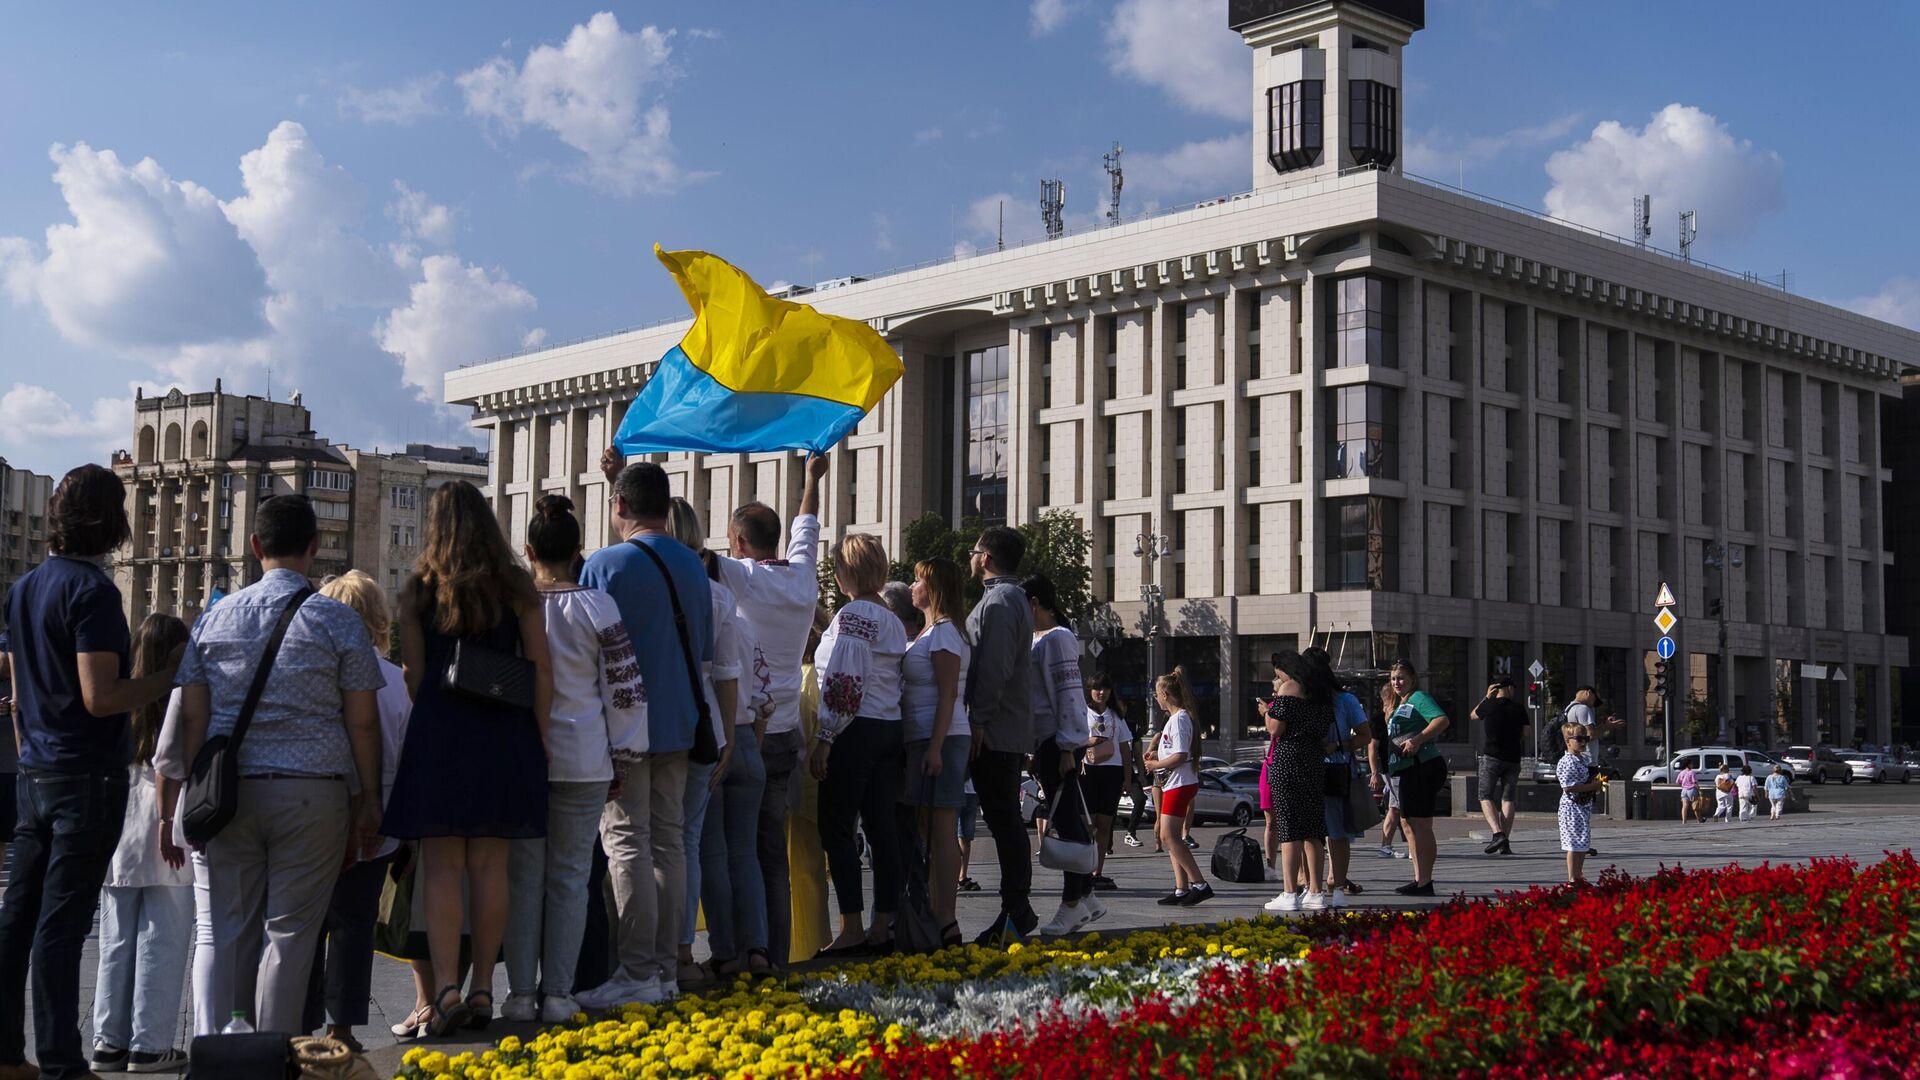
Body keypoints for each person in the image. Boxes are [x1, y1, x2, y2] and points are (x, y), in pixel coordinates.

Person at [177, 493, 386, 1036]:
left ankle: (227, 1046)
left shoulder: (212, 619)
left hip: (228, 795)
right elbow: (363, 722)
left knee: (229, 930)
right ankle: (272, 1052)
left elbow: (192, 720)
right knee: (290, 935)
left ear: (254, 547)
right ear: (315, 548)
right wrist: (369, 798)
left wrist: (183, 799)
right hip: (312, 795)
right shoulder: (339, 622)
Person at [1, 465, 179, 1080]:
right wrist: (171, 679)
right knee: (62, 925)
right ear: (111, 520)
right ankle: (59, 1062)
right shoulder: (94, 593)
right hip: (85, 778)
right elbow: (101, 697)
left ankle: (7, 1053)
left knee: (16, 918)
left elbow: (19, 679)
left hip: (35, 775)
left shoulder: (25, 588)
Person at [383, 481, 553, 1035]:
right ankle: (484, 987)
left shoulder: (417, 590)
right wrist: (542, 735)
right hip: (503, 732)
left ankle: (447, 986)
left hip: (440, 733)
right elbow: (541, 667)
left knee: (441, 866)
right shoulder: (515, 585)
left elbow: (412, 675)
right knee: (490, 865)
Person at [502, 497, 648, 1025]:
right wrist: (625, 756)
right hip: (586, 756)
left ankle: (519, 993)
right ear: (578, 552)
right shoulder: (598, 606)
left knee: (523, 878)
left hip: (520, 757)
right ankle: (559, 993)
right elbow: (626, 691)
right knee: (569, 877)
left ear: (529, 549)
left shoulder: (513, 607)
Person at [577, 461, 712, 1008]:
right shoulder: (694, 565)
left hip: (624, 727)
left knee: (627, 841)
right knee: (670, 842)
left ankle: (634, 971)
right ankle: (663, 967)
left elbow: (585, 649)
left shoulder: (606, 565)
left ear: (620, 507)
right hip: (682, 721)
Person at [714, 453, 826, 973]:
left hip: (746, 729)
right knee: (771, 857)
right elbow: (809, 524)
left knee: (738, 851)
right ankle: (776, 955)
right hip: (786, 734)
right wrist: (810, 480)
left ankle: (743, 951)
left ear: (737, 542)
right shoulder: (803, 578)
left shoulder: (744, 579)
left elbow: (682, 550)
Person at [300, 570, 416, 1051]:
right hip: (381, 818)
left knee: (306, 922)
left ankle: (297, 1020)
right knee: (355, 922)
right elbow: (408, 755)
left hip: (318, 812)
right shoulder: (396, 680)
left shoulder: (314, 674)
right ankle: (343, 1029)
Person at [668, 498, 769, 983]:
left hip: (688, 733)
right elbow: (740, 677)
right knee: (743, 853)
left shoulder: (662, 587)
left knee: (694, 848)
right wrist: (735, 736)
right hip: (738, 733)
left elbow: (726, 673)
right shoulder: (724, 601)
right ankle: (757, 952)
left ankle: (715, 951)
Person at [89, 614, 193, 1074]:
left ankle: (107, 1041)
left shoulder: (119, 699)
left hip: (119, 825)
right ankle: (150, 1045)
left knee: (115, 938)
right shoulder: (182, 697)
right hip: (168, 822)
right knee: (164, 938)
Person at [811, 533, 908, 956]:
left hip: (855, 729)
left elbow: (844, 679)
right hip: (889, 726)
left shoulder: (852, 616)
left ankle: (850, 926)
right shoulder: (889, 617)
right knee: (883, 829)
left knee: (836, 827)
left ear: (847, 572)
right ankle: (882, 922)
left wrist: (825, 737)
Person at [964, 526, 1036, 942]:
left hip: (996, 730)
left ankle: (1016, 908)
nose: (971, 558)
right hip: (1001, 727)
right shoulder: (1007, 599)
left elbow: (994, 669)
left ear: (986, 557)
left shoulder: (1002, 601)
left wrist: (978, 721)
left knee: (1004, 819)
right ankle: (1015, 908)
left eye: (975, 551)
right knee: (1003, 818)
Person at [898, 556, 972, 949]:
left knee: (943, 829)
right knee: (931, 828)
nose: (912, 588)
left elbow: (948, 695)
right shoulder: (934, 631)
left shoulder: (943, 633)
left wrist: (937, 747)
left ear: (934, 588)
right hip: (927, 737)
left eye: (917, 581)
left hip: (938, 737)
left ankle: (946, 918)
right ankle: (937, 912)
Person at [1027, 576, 1097, 937]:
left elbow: (1070, 695)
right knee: (1068, 818)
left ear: (1035, 602)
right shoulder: (1043, 639)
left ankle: (1072, 904)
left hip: (1058, 742)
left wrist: (1069, 747)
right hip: (1048, 740)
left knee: (1067, 824)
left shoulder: (1057, 638)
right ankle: (1085, 896)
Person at [1259, 649, 1333, 913]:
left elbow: (1275, 729)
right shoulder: (1322, 693)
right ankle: (1316, 891)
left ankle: (1290, 892)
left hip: (1288, 757)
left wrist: (1268, 710)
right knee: (1313, 828)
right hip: (1314, 759)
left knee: (1289, 827)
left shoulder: (1289, 687)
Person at [1310, 646, 1377, 900]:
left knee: (1337, 831)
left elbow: (1365, 735)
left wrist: (1338, 745)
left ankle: (1337, 884)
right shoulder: (1302, 697)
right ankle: (1315, 884)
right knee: (1312, 832)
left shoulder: (1344, 700)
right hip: (1310, 770)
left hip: (1336, 769)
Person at [1142, 667, 1212, 908]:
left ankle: (1200, 884)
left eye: (1157, 693)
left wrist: (1155, 764)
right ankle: (1181, 888)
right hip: (1176, 782)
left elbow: (1181, 755)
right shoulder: (1176, 719)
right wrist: (1156, 753)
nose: (1156, 697)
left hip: (1179, 784)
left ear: (1166, 695)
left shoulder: (1180, 719)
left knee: (1169, 836)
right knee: (1169, 835)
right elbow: (1175, 751)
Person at [1381, 660, 1449, 897]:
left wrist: (1418, 739)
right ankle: (1419, 878)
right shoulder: (1401, 703)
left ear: (1412, 678)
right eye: (1392, 679)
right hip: (1405, 768)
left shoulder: (1418, 698)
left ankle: (1425, 881)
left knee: (1421, 823)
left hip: (1423, 765)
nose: (1396, 682)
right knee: (1408, 823)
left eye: (1400, 677)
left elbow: (1441, 720)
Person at [1082, 672, 1128, 891]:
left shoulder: (1115, 715)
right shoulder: (1082, 713)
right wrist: (1088, 741)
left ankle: (1097, 871)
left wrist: (1128, 777)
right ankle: (1082, 870)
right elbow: (1070, 740)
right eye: (1098, 688)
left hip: (1112, 771)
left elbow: (1125, 746)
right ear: (1090, 691)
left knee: (1104, 824)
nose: (1102, 693)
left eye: (1106, 689)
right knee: (1086, 824)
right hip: (1087, 772)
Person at [1471, 679, 1528, 856]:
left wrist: (1486, 697)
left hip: (1491, 757)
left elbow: (1473, 715)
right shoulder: (1519, 708)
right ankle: (1505, 843)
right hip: (1513, 758)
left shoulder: (1489, 705)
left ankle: (1498, 834)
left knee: (1485, 795)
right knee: (1508, 799)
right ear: (1509, 689)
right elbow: (1526, 733)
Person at [1557, 724, 1604, 885]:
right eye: (1579, 739)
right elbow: (1569, 786)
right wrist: (1592, 786)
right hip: (1571, 808)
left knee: (1582, 843)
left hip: (1582, 807)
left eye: (1586, 738)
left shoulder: (1582, 759)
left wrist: (1595, 782)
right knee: (1573, 843)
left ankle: (1578, 877)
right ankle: (1572, 878)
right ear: (1567, 741)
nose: (1583, 742)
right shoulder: (1566, 761)